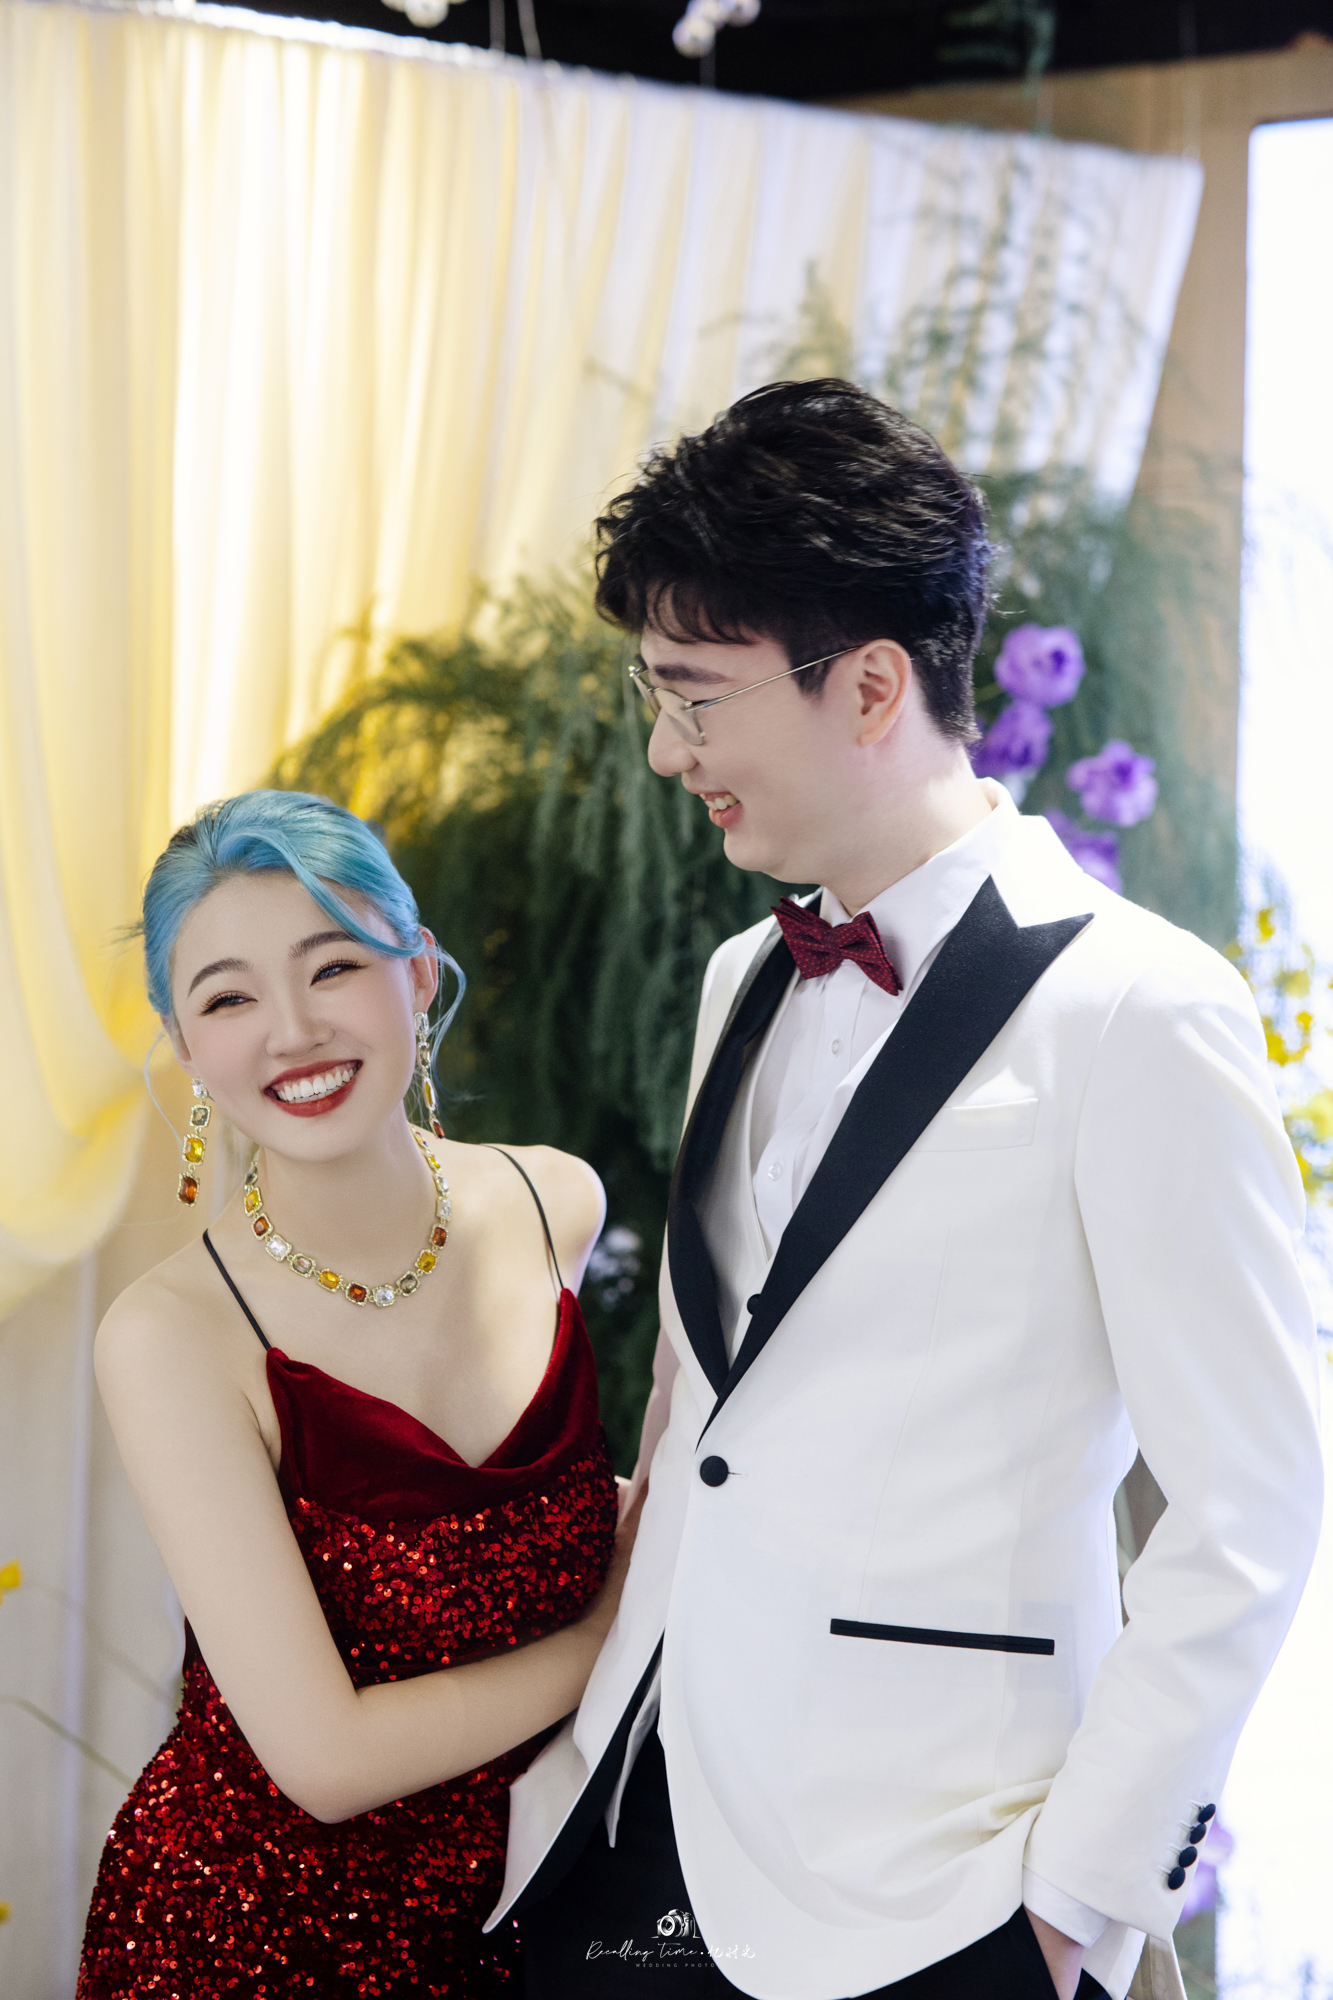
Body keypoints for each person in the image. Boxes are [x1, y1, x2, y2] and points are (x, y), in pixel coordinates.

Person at [492, 382, 1324, 2000]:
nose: (664, 749)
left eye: (695, 696)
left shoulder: (1139, 1009)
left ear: (870, 685)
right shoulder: (740, 976)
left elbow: (1249, 1509)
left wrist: (1070, 1906)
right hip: (644, 1820)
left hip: (944, 1883)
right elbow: (713, 1408)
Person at [78, 790, 638, 1998]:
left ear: (419, 973)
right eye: (228, 998)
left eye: (332, 966)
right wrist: (610, 1637)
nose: (292, 1031)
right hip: (261, 1940)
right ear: (186, 1045)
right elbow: (324, 1758)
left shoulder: (555, 1204)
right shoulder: (173, 1338)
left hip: (540, 1915)